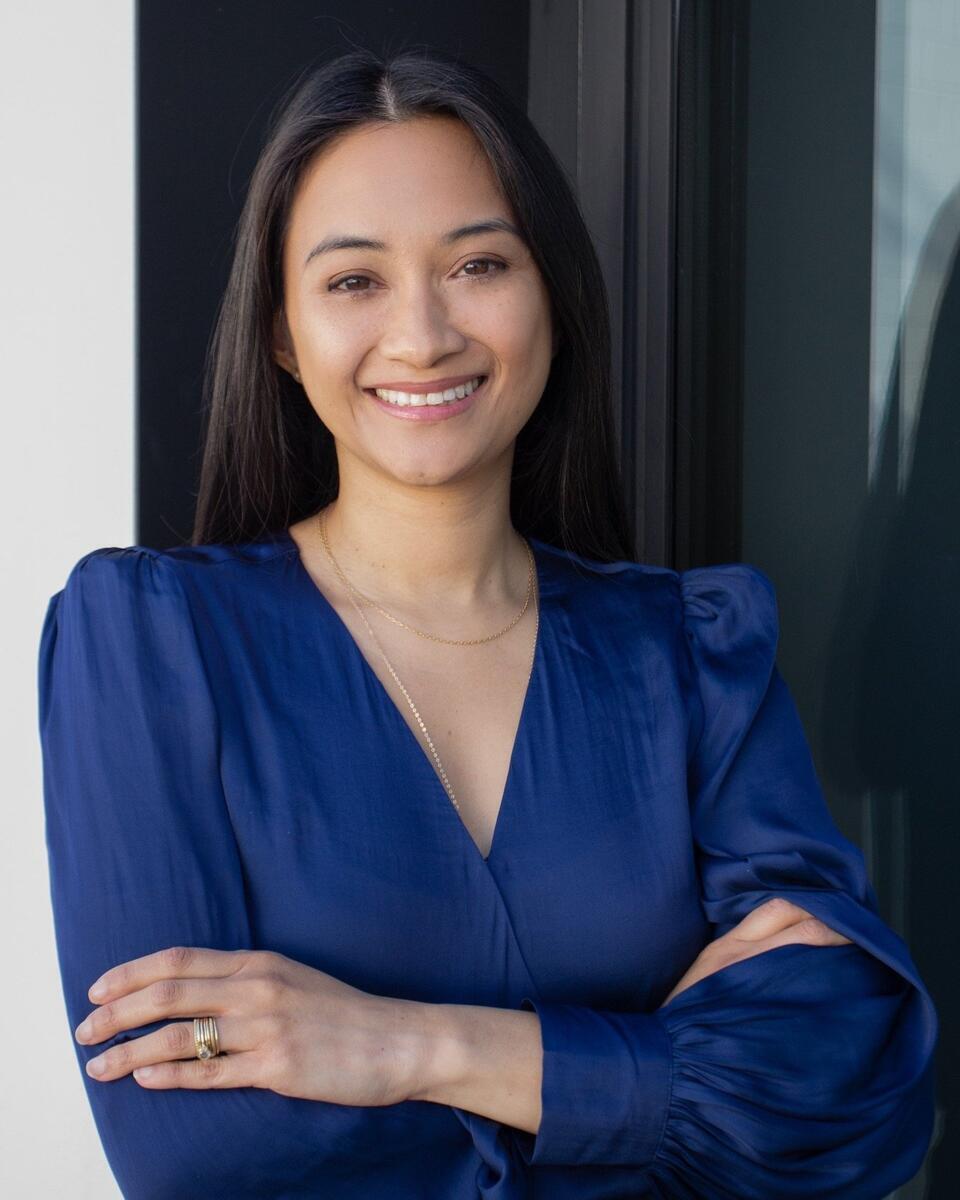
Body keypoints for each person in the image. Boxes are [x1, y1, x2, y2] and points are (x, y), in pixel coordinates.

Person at [37, 46, 937, 1199]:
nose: (422, 334)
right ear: (281, 333)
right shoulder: (151, 645)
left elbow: (848, 1089)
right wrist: (664, 1091)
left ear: (549, 291)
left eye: (478, 264)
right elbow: (200, 1155)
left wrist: (412, 1046)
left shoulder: (689, 653)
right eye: (353, 281)